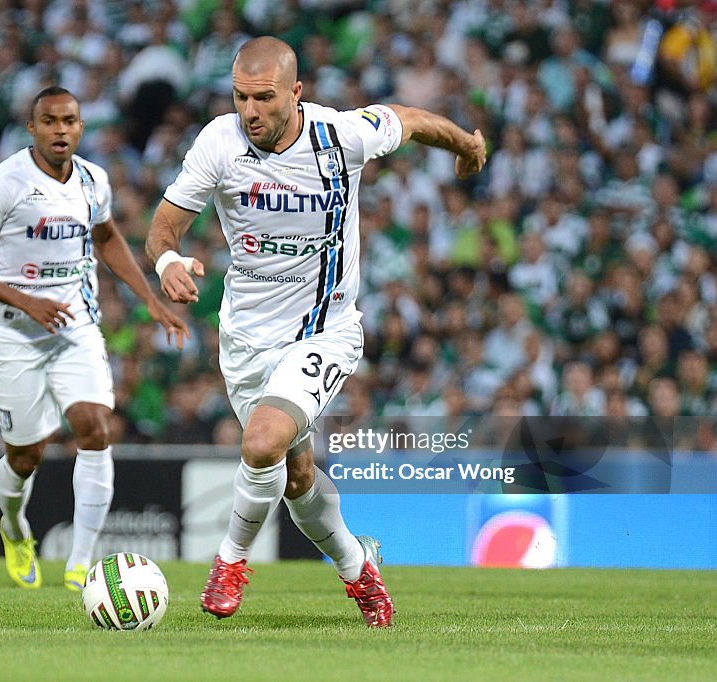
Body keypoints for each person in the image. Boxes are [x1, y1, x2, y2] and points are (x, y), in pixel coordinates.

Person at [145, 37, 486, 628]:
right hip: (246, 339)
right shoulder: (218, 142)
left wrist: (465, 144)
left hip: (324, 332)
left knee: (260, 443)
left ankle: (228, 563)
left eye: (264, 98)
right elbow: (163, 228)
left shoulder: (340, 135)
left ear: (295, 93)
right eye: (241, 97)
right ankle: (361, 573)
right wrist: (168, 263)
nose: (250, 111)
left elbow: (406, 120)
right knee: (296, 476)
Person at [0, 86, 189, 591]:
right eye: (50, 121)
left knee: (94, 425)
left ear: (82, 127)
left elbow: (106, 238)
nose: (61, 131)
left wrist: (148, 298)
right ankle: (14, 527)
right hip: (14, 332)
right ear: (32, 128)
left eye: (70, 121)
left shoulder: (92, 180)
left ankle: (81, 565)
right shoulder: (4, 183)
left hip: (75, 322)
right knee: (25, 455)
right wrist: (25, 300)